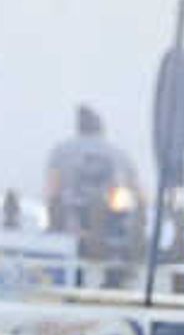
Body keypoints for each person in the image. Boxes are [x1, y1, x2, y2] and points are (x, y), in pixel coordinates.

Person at [43, 105, 145, 261]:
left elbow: (53, 192)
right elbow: (140, 197)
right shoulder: (120, 155)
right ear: (100, 126)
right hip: (114, 235)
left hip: (70, 235)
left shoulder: (61, 152)